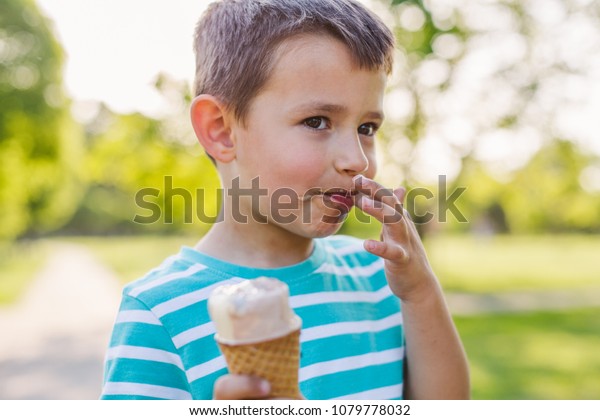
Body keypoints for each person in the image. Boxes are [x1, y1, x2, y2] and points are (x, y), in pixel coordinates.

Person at [101, 0, 469, 400]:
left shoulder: (380, 278)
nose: (357, 159)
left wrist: (421, 292)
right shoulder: (158, 314)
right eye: (316, 122)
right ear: (222, 131)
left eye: (367, 127)